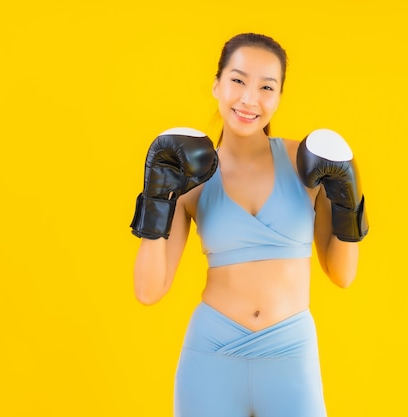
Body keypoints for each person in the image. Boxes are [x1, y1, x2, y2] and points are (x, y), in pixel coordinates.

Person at [131, 33, 368, 417]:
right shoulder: (189, 176)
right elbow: (148, 289)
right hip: (211, 356)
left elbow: (342, 274)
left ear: (278, 97)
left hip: (290, 354)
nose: (249, 98)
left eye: (266, 87)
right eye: (238, 80)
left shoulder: (307, 163)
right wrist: (157, 199)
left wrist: (348, 200)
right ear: (217, 84)